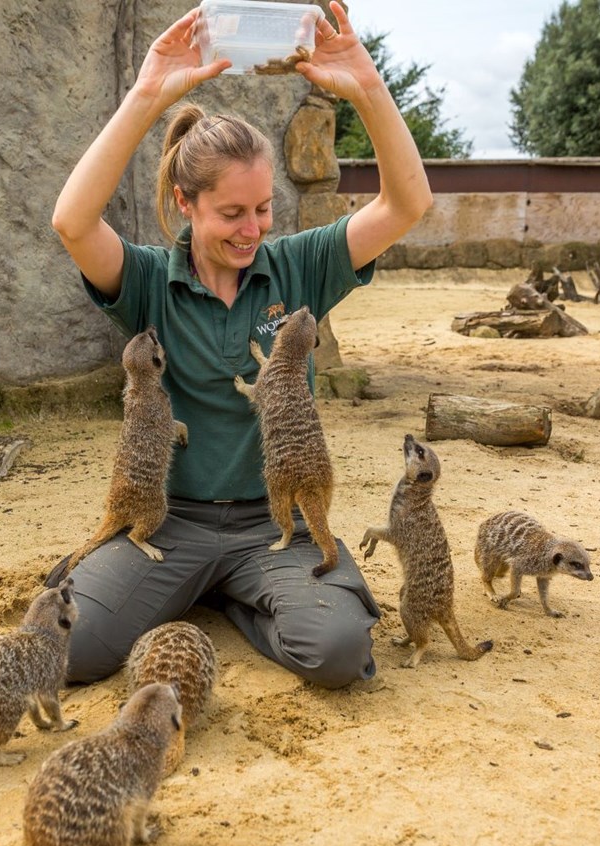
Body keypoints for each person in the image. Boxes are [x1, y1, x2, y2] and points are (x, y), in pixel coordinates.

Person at [48, 1, 431, 689]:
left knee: (341, 652)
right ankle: (190, 581)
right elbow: (73, 221)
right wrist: (145, 95)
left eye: (262, 209)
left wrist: (370, 89)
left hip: (273, 524)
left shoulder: (298, 265)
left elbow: (407, 206)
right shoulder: (146, 281)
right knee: (67, 650)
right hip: (170, 523)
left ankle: (233, 590)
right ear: (185, 201)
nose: (252, 228)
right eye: (230, 213)